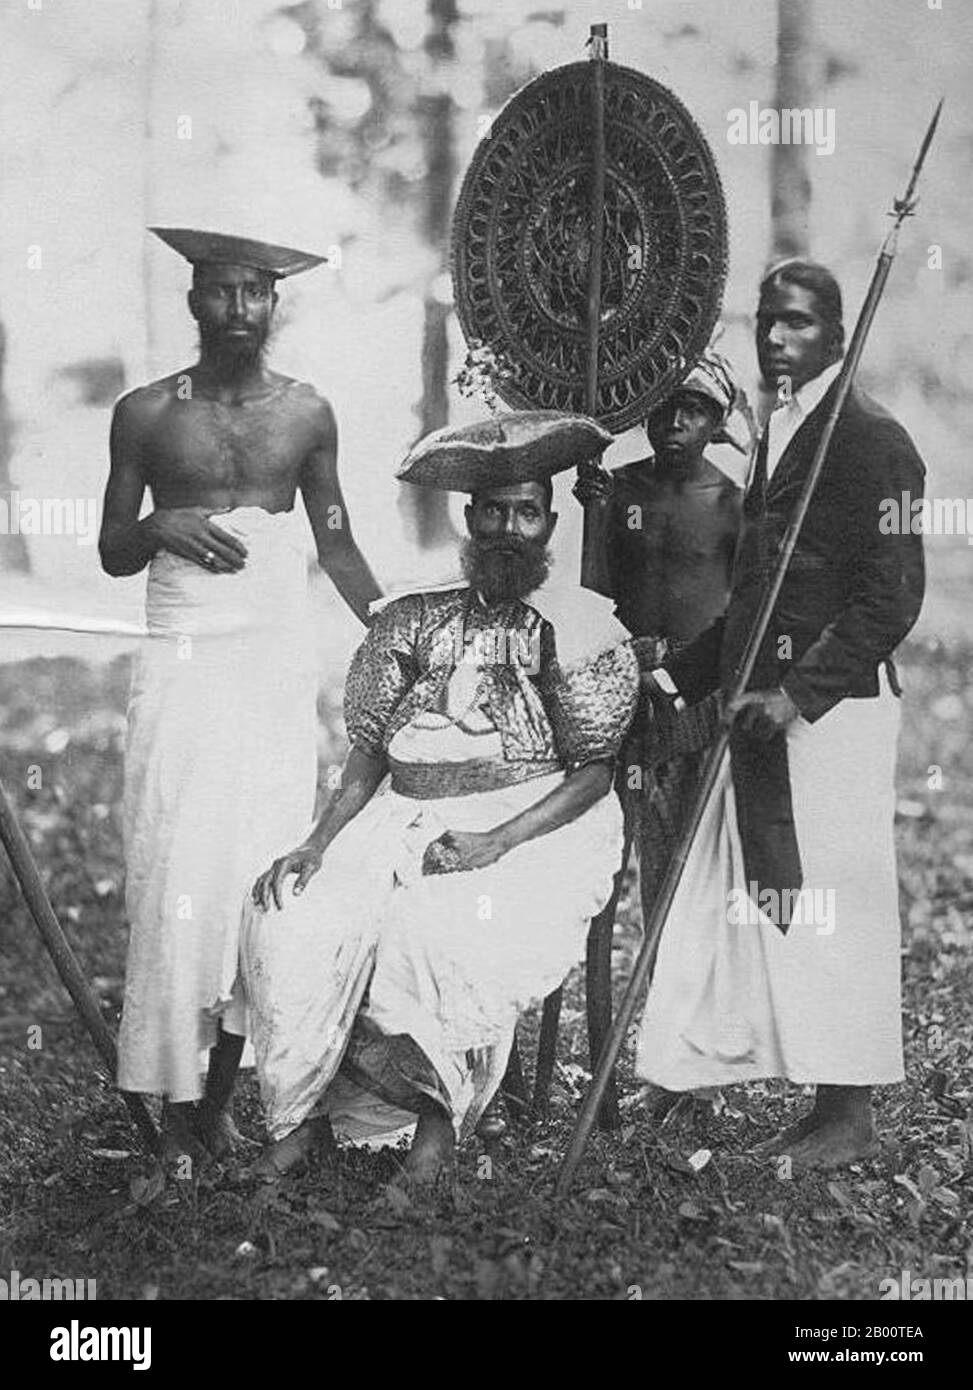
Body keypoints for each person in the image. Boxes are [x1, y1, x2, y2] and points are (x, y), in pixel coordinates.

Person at [242, 416, 640, 1182]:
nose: (508, 529)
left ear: (549, 523)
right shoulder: (416, 614)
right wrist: (318, 843)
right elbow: (367, 752)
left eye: (526, 512)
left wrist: (496, 843)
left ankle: (434, 1132)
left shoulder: (575, 624)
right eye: (492, 510)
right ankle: (310, 1119)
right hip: (402, 814)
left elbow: (594, 771)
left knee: (432, 933)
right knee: (294, 916)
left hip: (536, 828)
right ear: (469, 517)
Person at [635, 259, 926, 1168]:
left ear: (837, 332)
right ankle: (765, 1089)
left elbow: (892, 599)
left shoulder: (871, 439)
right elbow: (758, 597)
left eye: (797, 323)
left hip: (831, 719)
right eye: (766, 322)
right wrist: (680, 678)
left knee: (838, 903)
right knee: (762, 896)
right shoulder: (780, 428)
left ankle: (847, 1116)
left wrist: (796, 693)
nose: (775, 339)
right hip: (761, 713)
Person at [99, 228, 381, 1160]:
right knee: (175, 857)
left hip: (270, 659)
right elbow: (111, 548)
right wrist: (160, 522)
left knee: (254, 865)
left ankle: (217, 1100)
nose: (238, 311)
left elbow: (334, 541)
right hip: (182, 656)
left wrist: (397, 631)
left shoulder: (306, 414)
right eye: (220, 292)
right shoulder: (145, 413)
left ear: (274, 302)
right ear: (193, 300)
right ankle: (169, 1096)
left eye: (255, 293)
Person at [576, 350, 746, 924]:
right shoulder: (619, 491)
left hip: (693, 684)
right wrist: (596, 515)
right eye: (665, 407)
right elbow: (596, 591)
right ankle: (601, 979)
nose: (675, 422)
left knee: (681, 837)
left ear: (717, 423)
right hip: (623, 675)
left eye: (694, 411)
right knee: (610, 828)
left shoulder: (732, 505)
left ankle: (673, 973)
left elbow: (741, 608)